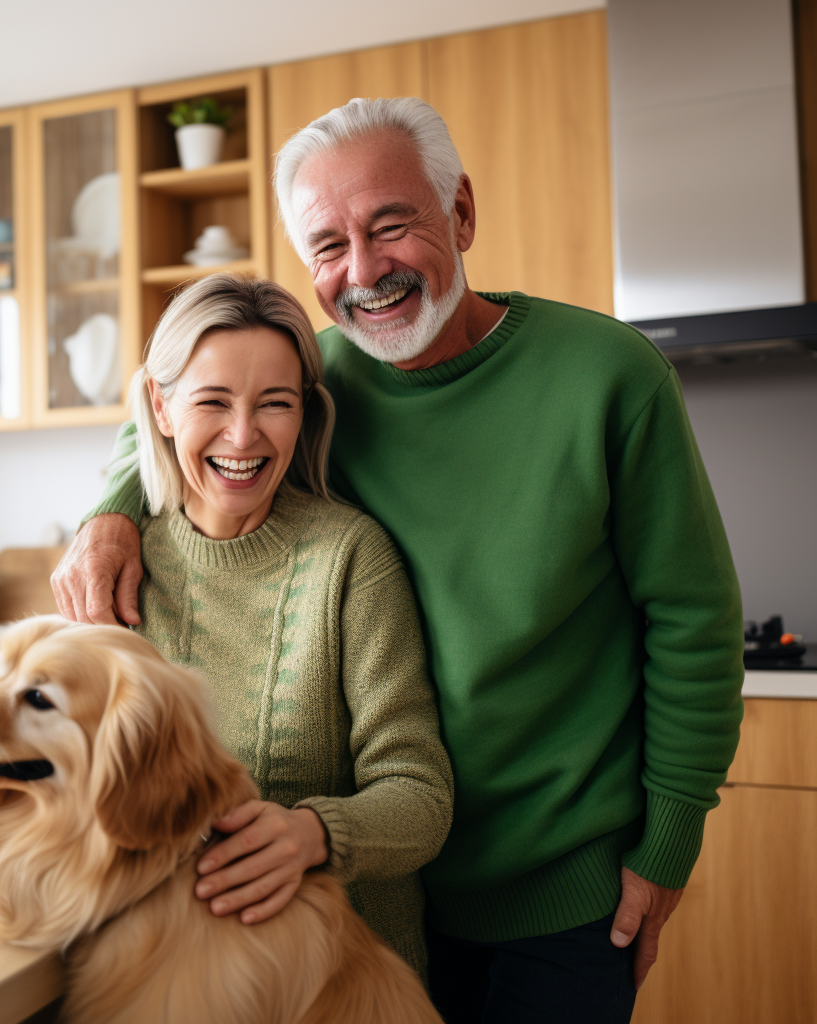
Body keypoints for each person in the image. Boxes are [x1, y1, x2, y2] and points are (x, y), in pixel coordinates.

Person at [53, 98, 744, 1023]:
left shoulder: (610, 376)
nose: (365, 271)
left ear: (460, 215)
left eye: (392, 226)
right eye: (328, 246)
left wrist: (666, 847)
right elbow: (186, 406)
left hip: (568, 889)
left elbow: (694, 622)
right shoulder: (316, 379)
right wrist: (109, 512)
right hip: (385, 894)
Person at [90, 271, 453, 977]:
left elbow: (421, 794)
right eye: (213, 401)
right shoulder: (114, 567)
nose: (243, 435)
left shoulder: (350, 559)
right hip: (167, 969)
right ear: (160, 408)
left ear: (307, 415)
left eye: (275, 404)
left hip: (339, 975)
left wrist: (313, 833)